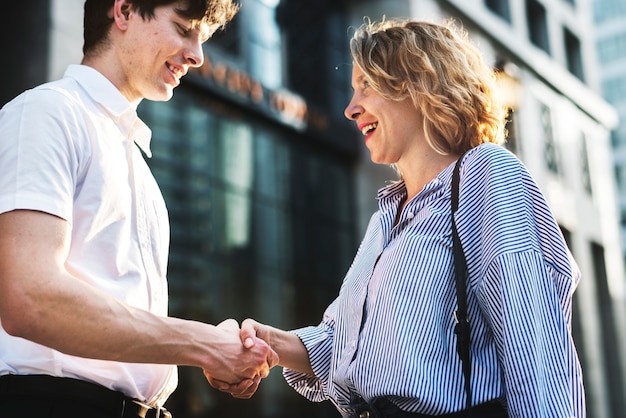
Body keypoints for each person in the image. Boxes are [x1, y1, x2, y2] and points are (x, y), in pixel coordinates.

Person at [208, 17, 586, 418]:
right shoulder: (385, 219)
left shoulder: (487, 175)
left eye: (366, 86)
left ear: (419, 85)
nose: (351, 109)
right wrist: (268, 343)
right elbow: (343, 342)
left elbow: (535, 344)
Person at [0, 1, 278, 417]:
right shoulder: (47, 113)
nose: (197, 55)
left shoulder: (137, 164)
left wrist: (215, 353)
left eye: (201, 39)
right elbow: (30, 297)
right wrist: (202, 345)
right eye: (184, 28)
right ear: (125, 12)